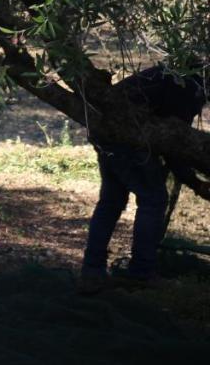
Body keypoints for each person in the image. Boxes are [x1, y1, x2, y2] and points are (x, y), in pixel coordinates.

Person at [78, 63, 209, 294]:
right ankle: (140, 273)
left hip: (104, 131)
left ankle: (92, 270)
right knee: (154, 200)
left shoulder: (180, 75)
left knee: (111, 202)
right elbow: (173, 143)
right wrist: (195, 183)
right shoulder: (188, 86)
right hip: (127, 138)